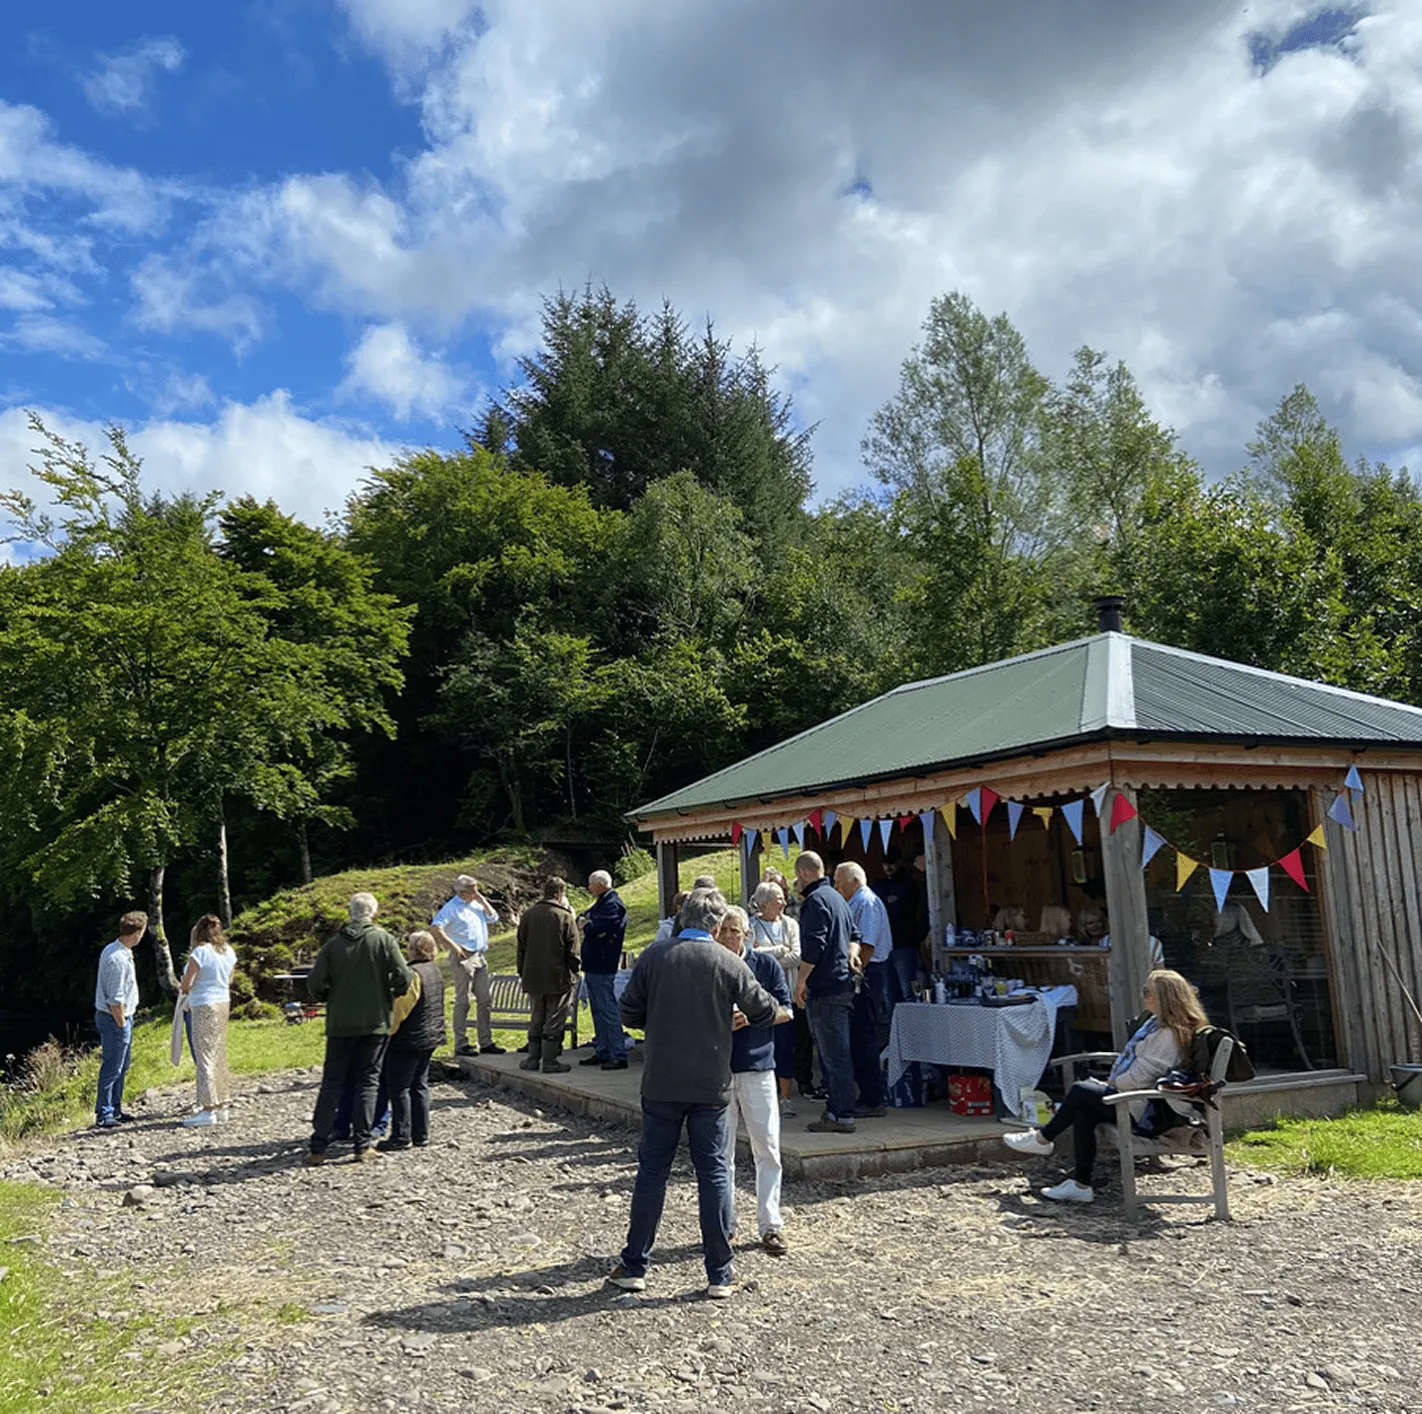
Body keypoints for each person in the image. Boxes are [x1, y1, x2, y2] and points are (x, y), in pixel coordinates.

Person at [607, 888, 780, 1300]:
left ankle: (635, 1265)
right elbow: (765, 1011)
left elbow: (627, 1010)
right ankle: (719, 1271)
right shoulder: (727, 961)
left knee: (653, 1171)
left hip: (663, 1080)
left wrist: (660, 1018)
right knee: (714, 1172)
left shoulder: (654, 955)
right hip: (711, 1082)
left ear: (683, 919)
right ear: (719, 926)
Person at [1003, 969, 1209, 1204]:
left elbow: (1140, 1078)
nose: (1143, 996)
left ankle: (1043, 1139)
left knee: (1081, 1091)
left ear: (1165, 997)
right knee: (1082, 1108)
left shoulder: (1169, 1035)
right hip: (1135, 1099)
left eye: (1147, 992)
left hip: (1145, 1111)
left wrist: (1110, 1084)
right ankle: (1081, 1184)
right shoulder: (1156, 1026)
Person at [306, 892, 414, 1165]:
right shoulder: (384, 940)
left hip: (340, 1024)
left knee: (332, 1082)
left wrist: (330, 995)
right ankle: (362, 1145)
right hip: (375, 1022)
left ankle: (318, 1146)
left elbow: (315, 984)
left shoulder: (332, 946)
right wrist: (392, 991)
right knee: (368, 1082)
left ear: (350, 912)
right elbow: (404, 975)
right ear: (373, 914)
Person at [717, 905, 793, 1257]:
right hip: (718, 1068)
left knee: (768, 1147)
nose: (731, 937)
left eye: (736, 931)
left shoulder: (765, 965)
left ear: (748, 934)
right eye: (725, 931)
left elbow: (787, 1010)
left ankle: (770, 1222)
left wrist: (754, 1017)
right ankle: (724, 1224)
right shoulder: (711, 966)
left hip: (759, 1065)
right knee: (722, 1152)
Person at [793, 852, 861, 1134]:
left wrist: (800, 981)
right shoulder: (837, 898)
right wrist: (852, 955)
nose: (796, 882)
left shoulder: (815, 901)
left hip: (825, 987)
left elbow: (813, 946)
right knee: (839, 1052)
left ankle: (841, 1114)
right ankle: (839, 1109)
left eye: (797, 876)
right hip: (843, 983)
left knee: (834, 1055)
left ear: (805, 873)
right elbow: (855, 935)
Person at [378, 931, 446, 1152]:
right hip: (432, 1035)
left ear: (414, 949)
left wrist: (388, 1031)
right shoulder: (435, 970)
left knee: (399, 1087)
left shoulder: (413, 974)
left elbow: (402, 1009)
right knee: (420, 1085)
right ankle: (421, 1134)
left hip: (410, 1038)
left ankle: (401, 1135)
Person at [834, 862, 891, 1118]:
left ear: (854, 881)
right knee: (858, 1035)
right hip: (864, 971)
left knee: (864, 1035)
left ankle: (873, 1097)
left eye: (839, 882)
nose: (836, 887)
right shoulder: (856, 901)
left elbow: (866, 945)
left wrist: (854, 974)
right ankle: (867, 1093)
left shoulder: (866, 902)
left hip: (868, 972)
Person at [430, 875, 504, 1058]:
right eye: (473, 890)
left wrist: (483, 901)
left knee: (485, 999)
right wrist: (453, 946)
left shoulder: (475, 904)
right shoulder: (451, 908)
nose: (476, 893)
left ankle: (486, 1041)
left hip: (479, 955)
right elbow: (436, 927)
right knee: (463, 1001)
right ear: (463, 892)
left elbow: (493, 917)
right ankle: (461, 1043)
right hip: (464, 957)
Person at [517, 877, 581, 1074]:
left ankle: (532, 1059)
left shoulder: (528, 915)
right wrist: (575, 970)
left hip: (532, 974)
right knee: (554, 1017)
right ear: (560, 893)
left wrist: (523, 971)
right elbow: (573, 950)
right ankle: (550, 1061)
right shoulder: (564, 916)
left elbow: (521, 946)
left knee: (536, 1016)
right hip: (557, 975)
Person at [749, 881, 802, 1117]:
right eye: (776, 899)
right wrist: (780, 950)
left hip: (786, 993)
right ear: (764, 903)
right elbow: (751, 955)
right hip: (760, 995)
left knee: (785, 1046)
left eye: (782, 898)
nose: (782, 902)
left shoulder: (791, 924)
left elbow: (797, 956)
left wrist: (767, 955)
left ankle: (785, 1097)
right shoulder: (752, 925)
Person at [178, 915, 235, 1128]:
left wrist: (185, 988)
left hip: (204, 1004)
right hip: (223, 1001)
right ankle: (223, 1104)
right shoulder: (228, 951)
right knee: (219, 1052)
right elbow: (230, 979)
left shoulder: (200, 953)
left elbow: (187, 984)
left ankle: (208, 1108)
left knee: (204, 1055)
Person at [94, 911, 147, 1129]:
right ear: (137, 932)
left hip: (119, 1016)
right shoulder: (117, 960)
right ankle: (104, 1112)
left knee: (121, 1066)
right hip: (115, 1018)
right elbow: (115, 1000)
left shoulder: (117, 950)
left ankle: (115, 1108)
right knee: (112, 1066)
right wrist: (122, 1024)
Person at [578, 870, 629, 1070]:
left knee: (607, 1009)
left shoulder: (613, 905)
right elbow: (585, 917)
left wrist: (588, 926)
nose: (589, 888)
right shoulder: (601, 903)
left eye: (591, 884)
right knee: (597, 1009)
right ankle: (603, 1050)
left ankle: (618, 1053)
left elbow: (599, 927)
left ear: (601, 884)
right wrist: (587, 923)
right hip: (593, 964)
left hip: (602, 964)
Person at [873, 850, 927, 1007]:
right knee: (889, 992)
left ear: (899, 863)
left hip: (904, 943)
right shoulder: (879, 885)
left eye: (892, 862)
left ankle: (911, 1029)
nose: (888, 866)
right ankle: (893, 1030)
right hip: (884, 946)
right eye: (885, 863)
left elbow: (913, 911)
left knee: (909, 991)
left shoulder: (909, 884)